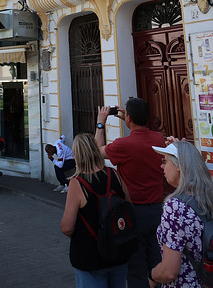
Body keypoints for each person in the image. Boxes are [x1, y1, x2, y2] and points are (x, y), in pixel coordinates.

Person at [95, 98, 165, 288]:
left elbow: (98, 150)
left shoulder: (123, 145)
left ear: (129, 118)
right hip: (158, 210)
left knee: (135, 268)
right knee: (158, 262)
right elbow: (141, 137)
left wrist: (101, 123)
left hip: (133, 212)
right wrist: (129, 119)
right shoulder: (159, 139)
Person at [61, 133, 132, 287]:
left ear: (77, 155)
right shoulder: (114, 174)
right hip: (118, 249)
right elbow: (128, 206)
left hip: (90, 256)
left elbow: (67, 227)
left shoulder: (77, 183)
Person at [148, 140, 213, 288]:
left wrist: (152, 275)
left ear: (179, 166)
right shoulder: (207, 196)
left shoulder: (175, 207)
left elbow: (169, 272)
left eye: (166, 161)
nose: (162, 166)